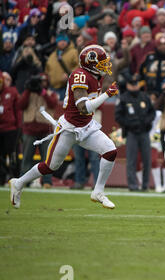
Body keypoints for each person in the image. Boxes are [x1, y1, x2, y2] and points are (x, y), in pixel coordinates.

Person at [9, 44, 119, 209]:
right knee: (50, 166)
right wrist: (107, 94)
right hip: (69, 128)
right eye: (101, 63)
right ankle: (19, 182)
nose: (105, 66)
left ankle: (98, 191)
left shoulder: (96, 76)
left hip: (87, 127)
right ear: (90, 63)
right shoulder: (79, 75)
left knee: (110, 150)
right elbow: (84, 108)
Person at [115, 73, 156, 191]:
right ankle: (132, 185)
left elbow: (152, 112)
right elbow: (118, 116)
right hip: (131, 132)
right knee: (131, 160)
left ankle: (145, 184)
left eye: (136, 84)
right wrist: (128, 124)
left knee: (146, 160)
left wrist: (147, 121)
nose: (134, 86)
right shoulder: (123, 98)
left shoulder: (144, 97)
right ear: (127, 85)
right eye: (132, 84)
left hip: (144, 132)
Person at [17, 73, 58, 189]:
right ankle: (24, 181)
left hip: (45, 130)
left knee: (47, 158)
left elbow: (53, 104)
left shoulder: (50, 93)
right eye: (40, 82)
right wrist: (28, 90)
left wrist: (42, 92)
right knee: (26, 157)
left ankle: (47, 181)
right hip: (29, 129)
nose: (41, 84)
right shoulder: (28, 93)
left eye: (43, 81)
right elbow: (20, 105)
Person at [0, 72, 20, 186]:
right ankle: (1, 178)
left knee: (12, 155)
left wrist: (18, 128)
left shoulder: (12, 92)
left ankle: (15, 178)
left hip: (10, 129)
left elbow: (17, 111)